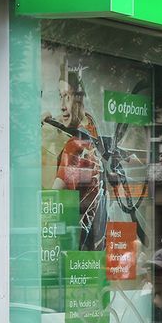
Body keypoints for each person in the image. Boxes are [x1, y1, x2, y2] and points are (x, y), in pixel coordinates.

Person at [44, 67, 107, 251]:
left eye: (68, 97)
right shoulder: (92, 130)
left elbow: (51, 199)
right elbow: (73, 120)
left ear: (79, 100)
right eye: (60, 96)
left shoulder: (74, 147)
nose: (62, 105)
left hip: (78, 245)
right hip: (97, 243)